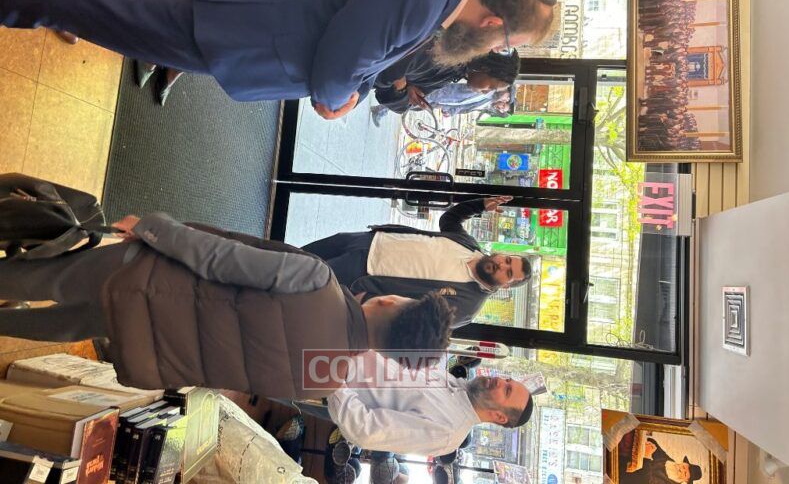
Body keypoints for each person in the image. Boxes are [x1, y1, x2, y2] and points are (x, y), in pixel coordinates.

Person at [1, 0, 557, 118]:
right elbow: (339, 63)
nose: (496, 48)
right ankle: (33, 1)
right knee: (118, 18)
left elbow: (372, 48)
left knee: (146, 0)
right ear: (494, 23)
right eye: (508, 41)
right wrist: (336, 101)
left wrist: (358, 85)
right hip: (247, 35)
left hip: (254, 13)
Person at [0, 212, 454, 399]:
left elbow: (220, 258)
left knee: (47, 278)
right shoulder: (323, 382)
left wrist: (155, 227)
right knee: (64, 325)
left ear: (390, 301)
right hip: (142, 341)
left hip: (144, 282)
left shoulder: (318, 281)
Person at [301, 196, 533, 328]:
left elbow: (414, 319)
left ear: (505, 285)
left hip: (363, 276)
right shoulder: (470, 246)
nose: (502, 265)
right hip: (368, 241)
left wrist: (366, 302)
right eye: (507, 260)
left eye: (509, 272)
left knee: (300, 277)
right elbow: (450, 219)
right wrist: (479, 205)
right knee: (296, 256)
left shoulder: (467, 307)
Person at [306, 353, 534, 456]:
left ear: (500, 417)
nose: (500, 380)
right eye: (507, 380)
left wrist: (335, 379)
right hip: (339, 351)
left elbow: (366, 431)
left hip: (322, 374)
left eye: (506, 390)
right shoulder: (456, 385)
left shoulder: (447, 433)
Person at [370, 42, 520, 122]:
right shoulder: (444, 52)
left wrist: (402, 86)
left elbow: (401, 106)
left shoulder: (454, 72)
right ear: (485, 69)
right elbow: (386, 73)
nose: (487, 92)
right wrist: (400, 83)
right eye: (491, 86)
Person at [620, 436, 704, 484]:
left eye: (685, 473)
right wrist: (652, 445)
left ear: (686, 481)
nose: (681, 469)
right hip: (626, 466)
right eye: (684, 467)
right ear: (684, 463)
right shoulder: (670, 462)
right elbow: (656, 448)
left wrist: (647, 457)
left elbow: (645, 481)